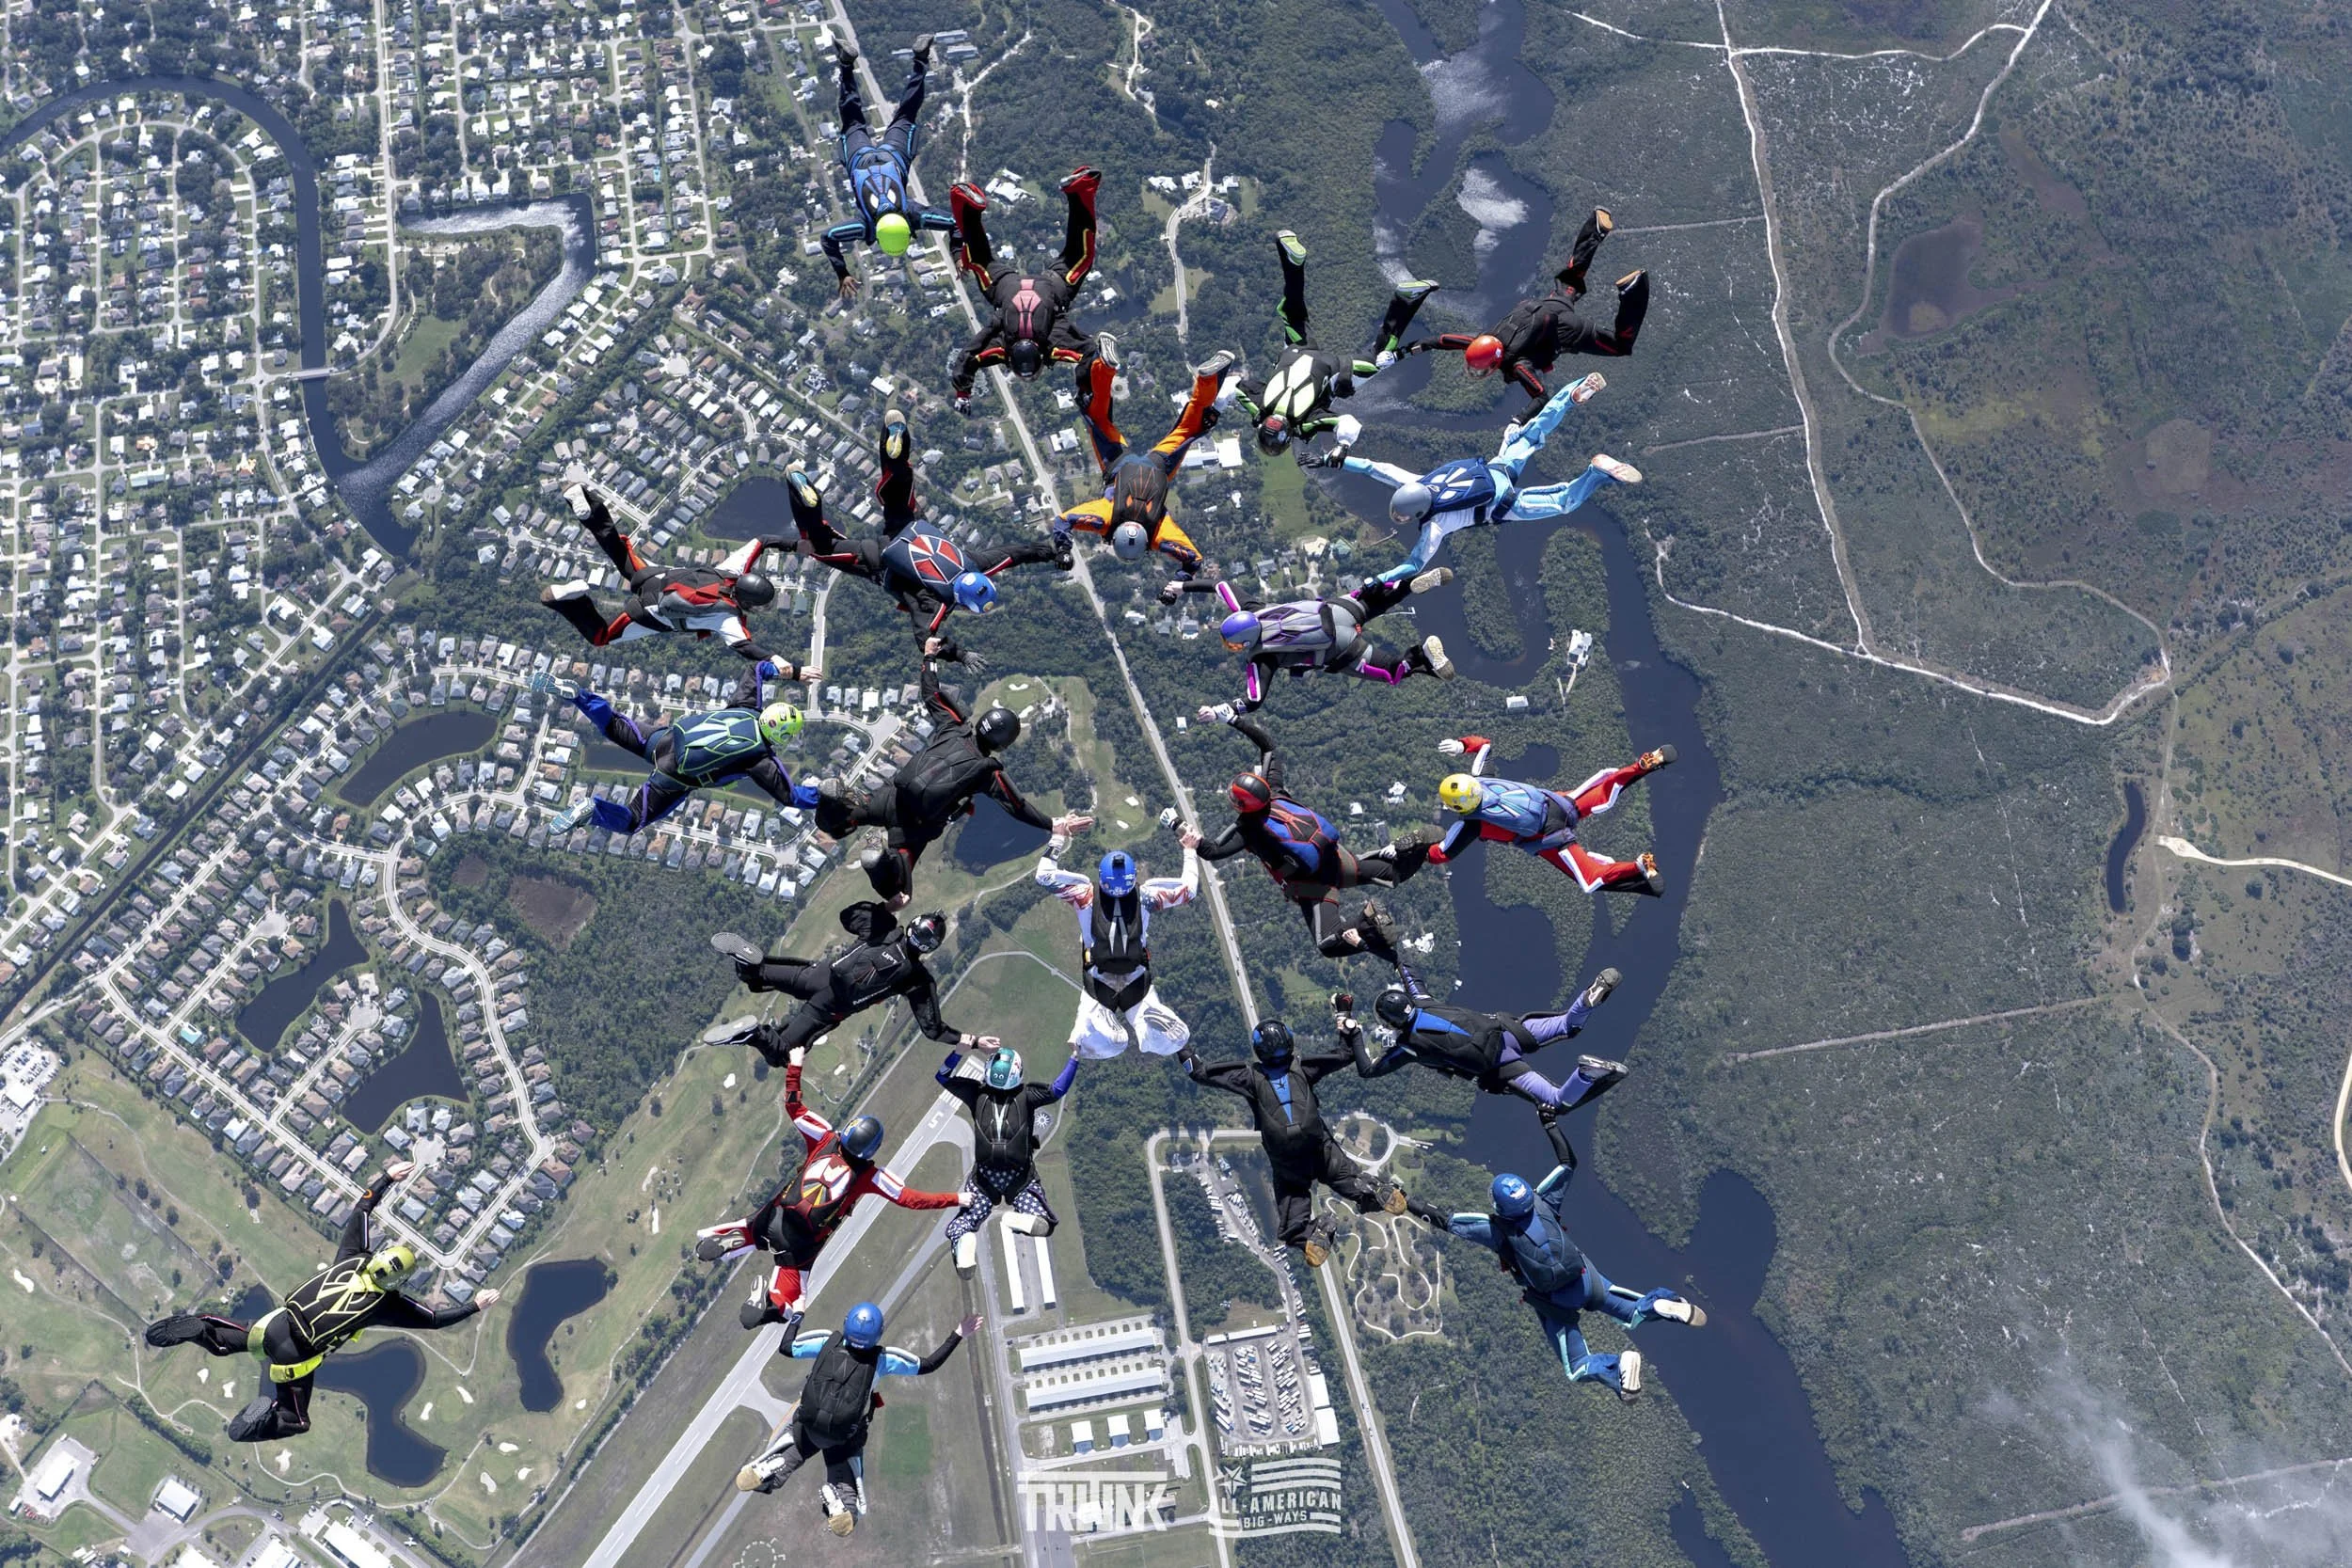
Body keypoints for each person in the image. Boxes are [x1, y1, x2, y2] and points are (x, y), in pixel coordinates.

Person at [144, 1162, 500, 1441]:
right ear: (399, 1281)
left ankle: (201, 1327)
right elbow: (435, 1320)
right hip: (295, 1360)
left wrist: (386, 1178)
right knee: (296, 1421)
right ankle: (262, 1421)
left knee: (223, 1344)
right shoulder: (387, 1305)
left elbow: (362, 1209)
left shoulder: (352, 1256)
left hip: (274, 1325)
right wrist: (475, 1305)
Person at [1408, 1114, 1703, 1398]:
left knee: (1578, 1366)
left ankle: (1617, 1367)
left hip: (1556, 1302)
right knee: (1633, 1311)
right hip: (1586, 1280)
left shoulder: (1497, 1230)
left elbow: (1444, 1220)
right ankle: (1664, 1303)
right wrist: (1550, 1123)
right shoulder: (1544, 1201)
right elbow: (1568, 1162)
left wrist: (1404, 1201)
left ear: (1499, 1207)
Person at [694, 1047, 966, 1341]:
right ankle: (768, 1305)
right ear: (871, 1149)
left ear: (848, 1131)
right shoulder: (869, 1176)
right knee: (791, 1307)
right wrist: (957, 1198)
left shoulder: (824, 1137)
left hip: (774, 1217)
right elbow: (912, 1200)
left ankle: (733, 1239)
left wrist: (795, 1067)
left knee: (751, 1229)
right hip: (799, 1248)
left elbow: (793, 1106)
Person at [811, 639, 1090, 902]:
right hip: (914, 828)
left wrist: (930, 657)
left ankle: (837, 806)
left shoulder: (954, 725)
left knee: (848, 818)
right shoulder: (986, 772)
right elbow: (1017, 806)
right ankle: (882, 863)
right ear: (1003, 745)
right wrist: (1053, 824)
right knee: (900, 892)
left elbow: (932, 693)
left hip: (892, 797)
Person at [1321, 372, 1640, 586]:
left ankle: (1596, 473)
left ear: (1417, 512)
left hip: (1502, 504)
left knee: (1564, 503)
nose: (1401, 519)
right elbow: (1375, 468)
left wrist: (1381, 579)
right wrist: (1333, 460)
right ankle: (1573, 394)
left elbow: (1414, 565)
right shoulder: (1417, 480)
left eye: (1402, 515)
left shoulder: (1436, 525)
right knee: (1532, 433)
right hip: (1497, 468)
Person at [1182, 709, 1439, 962]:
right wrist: (1233, 719)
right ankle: (1414, 849)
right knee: (1394, 874)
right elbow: (1269, 747)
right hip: (1338, 859)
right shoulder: (1276, 792)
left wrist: (1179, 829)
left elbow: (1211, 851)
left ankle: (1368, 923)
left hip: (1315, 886)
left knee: (1328, 943)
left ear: (1241, 805)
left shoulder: (1247, 829)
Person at [736, 1302, 980, 1536]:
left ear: (846, 1324)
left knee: (787, 1456)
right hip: (843, 1437)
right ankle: (839, 1501)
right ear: (878, 1334)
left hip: (807, 1425)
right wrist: (959, 1333)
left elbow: (787, 1347)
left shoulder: (826, 1341)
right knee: (849, 1500)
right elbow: (928, 1364)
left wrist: (798, 1314)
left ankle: (768, 1472)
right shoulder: (882, 1360)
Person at [1179, 1022, 1410, 1266]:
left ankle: (1304, 1234)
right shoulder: (1302, 1067)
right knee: (1342, 1174)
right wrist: (1347, 1025)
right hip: (1315, 1142)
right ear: (1289, 1043)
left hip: (1285, 1153)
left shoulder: (1249, 1076)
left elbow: (1199, 1072)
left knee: (1293, 1195)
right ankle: (1370, 1189)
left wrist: (1178, 1044)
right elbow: (1346, 1054)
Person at [532, 662, 818, 838]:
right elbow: (793, 797)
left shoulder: (746, 707)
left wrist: (792, 671)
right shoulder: (761, 760)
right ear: (780, 736)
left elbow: (756, 669)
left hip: (666, 741)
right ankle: (593, 810)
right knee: (632, 820)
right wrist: (827, 796)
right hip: (674, 778)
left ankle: (579, 696)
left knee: (614, 725)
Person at [1220, 230, 1437, 461]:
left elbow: (1348, 423)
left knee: (1380, 355)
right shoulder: (1258, 407)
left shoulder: (1305, 423)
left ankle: (1406, 298)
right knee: (1293, 314)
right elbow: (1231, 386)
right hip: (1296, 352)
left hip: (1334, 369)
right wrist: (1213, 409)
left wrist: (1342, 447)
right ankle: (1293, 263)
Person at [787, 461, 1067, 637]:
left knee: (896, 496)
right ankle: (804, 494)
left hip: (909, 529)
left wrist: (1053, 553)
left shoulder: (978, 563)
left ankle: (896, 453)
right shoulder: (937, 603)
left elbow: (1017, 554)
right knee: (819, 545)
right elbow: (924, 635)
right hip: (877, 561)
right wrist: (957, 655)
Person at [1403, 209, 1648, 405]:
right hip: (1546, 306)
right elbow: (1439, 340)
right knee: (1569, 279)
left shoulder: (1517, 365)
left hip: (1569, 330)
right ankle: (1594, 230)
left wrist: (1517, 423)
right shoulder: (1482, 340)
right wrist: (1404, 352)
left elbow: (1541, 396)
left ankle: (1633, 289)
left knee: (1620, 346)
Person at [539, 482, 798, 663]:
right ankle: (575, 600)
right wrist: (783, 665)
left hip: (654, 577)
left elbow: (761, 541)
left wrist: (797, 545)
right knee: (601, 637)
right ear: (747, 602)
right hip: (649, 611)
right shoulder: (727, 617)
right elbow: (746, 647)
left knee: (618, 549)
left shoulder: (730, 570)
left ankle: (584, 502)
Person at [708, 900, 993, 1064]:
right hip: (829, 1006)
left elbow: (848, 916)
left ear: (912, 924)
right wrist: (973, 1041)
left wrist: (886, 908)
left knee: (759, 974)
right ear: (930, 948)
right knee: (782, 1053)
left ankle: (746, 964)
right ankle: (752, 1035)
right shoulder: (917, 978)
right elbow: (932, 1028)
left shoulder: (885, 929)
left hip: (821, 975)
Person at [1051, 337, 1231, 586]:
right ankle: (1105, 366)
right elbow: (1062, 521)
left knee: (1189, 428)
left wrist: (1179, 581)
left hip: (1159, 468)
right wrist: (1063, 549)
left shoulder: (1159, 534)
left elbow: (1193, 559)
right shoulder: (1104, 521)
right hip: (1120, 465)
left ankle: (1209, 379)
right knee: (1097, 416)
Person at [1168, 571, 1454, 713]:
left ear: (1244, 643)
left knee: (1393, 672)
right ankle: (1407, 585)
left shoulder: (1261, 658)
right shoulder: (1252, 608)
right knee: (1373, 599)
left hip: (1342, 649)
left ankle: (1420, 655)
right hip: (1337, 610)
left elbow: (1253, 700)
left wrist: (1220, 711)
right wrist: (1181, 587)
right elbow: (1220, 586)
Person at [1336, 974, 1629, 1112]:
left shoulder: (1409, 1046)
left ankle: (1585, 1074)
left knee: (1556, 1102)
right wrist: (1387, 950)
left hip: (1501, 1066)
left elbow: (1369, 1070)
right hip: (1507, 1030)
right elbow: (1411, 975)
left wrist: (1355, 1034)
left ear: (1391, 1023)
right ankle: (1589, 998)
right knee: (1567, 1025)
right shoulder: (1425, 1001)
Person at [1432, 733, 1673, 896]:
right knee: (1603, 791)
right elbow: (1484, 744)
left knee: (1590, 880)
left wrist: (1412, 851)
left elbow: (1442, 854)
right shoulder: (1485, 779)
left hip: (1549, 839)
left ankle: (1639, 866)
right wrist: (1461, 745)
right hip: (1558, 804)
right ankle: (1645, 763)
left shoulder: (1473, 825)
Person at [1035, 832, 1199, 1057]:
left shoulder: (1084, 894)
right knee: (1173, 1042)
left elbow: (1043, 876)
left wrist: (1059, 837)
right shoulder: (1148, 895)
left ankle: (1106, 1028)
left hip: (1098, 978)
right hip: (1137, 976)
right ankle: (1148, 1029)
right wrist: (1189, 851)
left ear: (1102, 878)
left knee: (1086, 1045)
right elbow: (1189, 890)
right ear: (1132, 879)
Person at [947, 167, 1103, 405]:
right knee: (979, 260)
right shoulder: (1000, 347)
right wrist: (962, 394)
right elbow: (969, 356)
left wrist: (1084, 388)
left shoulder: (1052, 344)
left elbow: (1088, 352)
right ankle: (966, 203)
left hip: (1052, 285)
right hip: (1005, 287)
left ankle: (1081, 189)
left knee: (1081, 256)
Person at [819, 33, 955, 297]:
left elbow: (956, 223)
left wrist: (959, 251)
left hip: (893, 156)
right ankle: (846, 65)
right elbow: (828, 238)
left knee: (907, 113)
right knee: (852, 119)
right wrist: (843, 272)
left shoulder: (915, 215)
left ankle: (920, 60)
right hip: (860, 158)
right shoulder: (863, 226)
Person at [936, 1043, 1077, 1276]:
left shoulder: (976, 1093)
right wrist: (1075, 1058)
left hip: (984, 1177)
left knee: (962, 1225)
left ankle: (964, 1242)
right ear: (1017, 1074)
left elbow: (942, 1076)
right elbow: (1057, 1090)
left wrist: (962, 1049)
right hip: (1019, 1176)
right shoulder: (1027, 1095)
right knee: (1044, 1223)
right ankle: (1022, 1218)